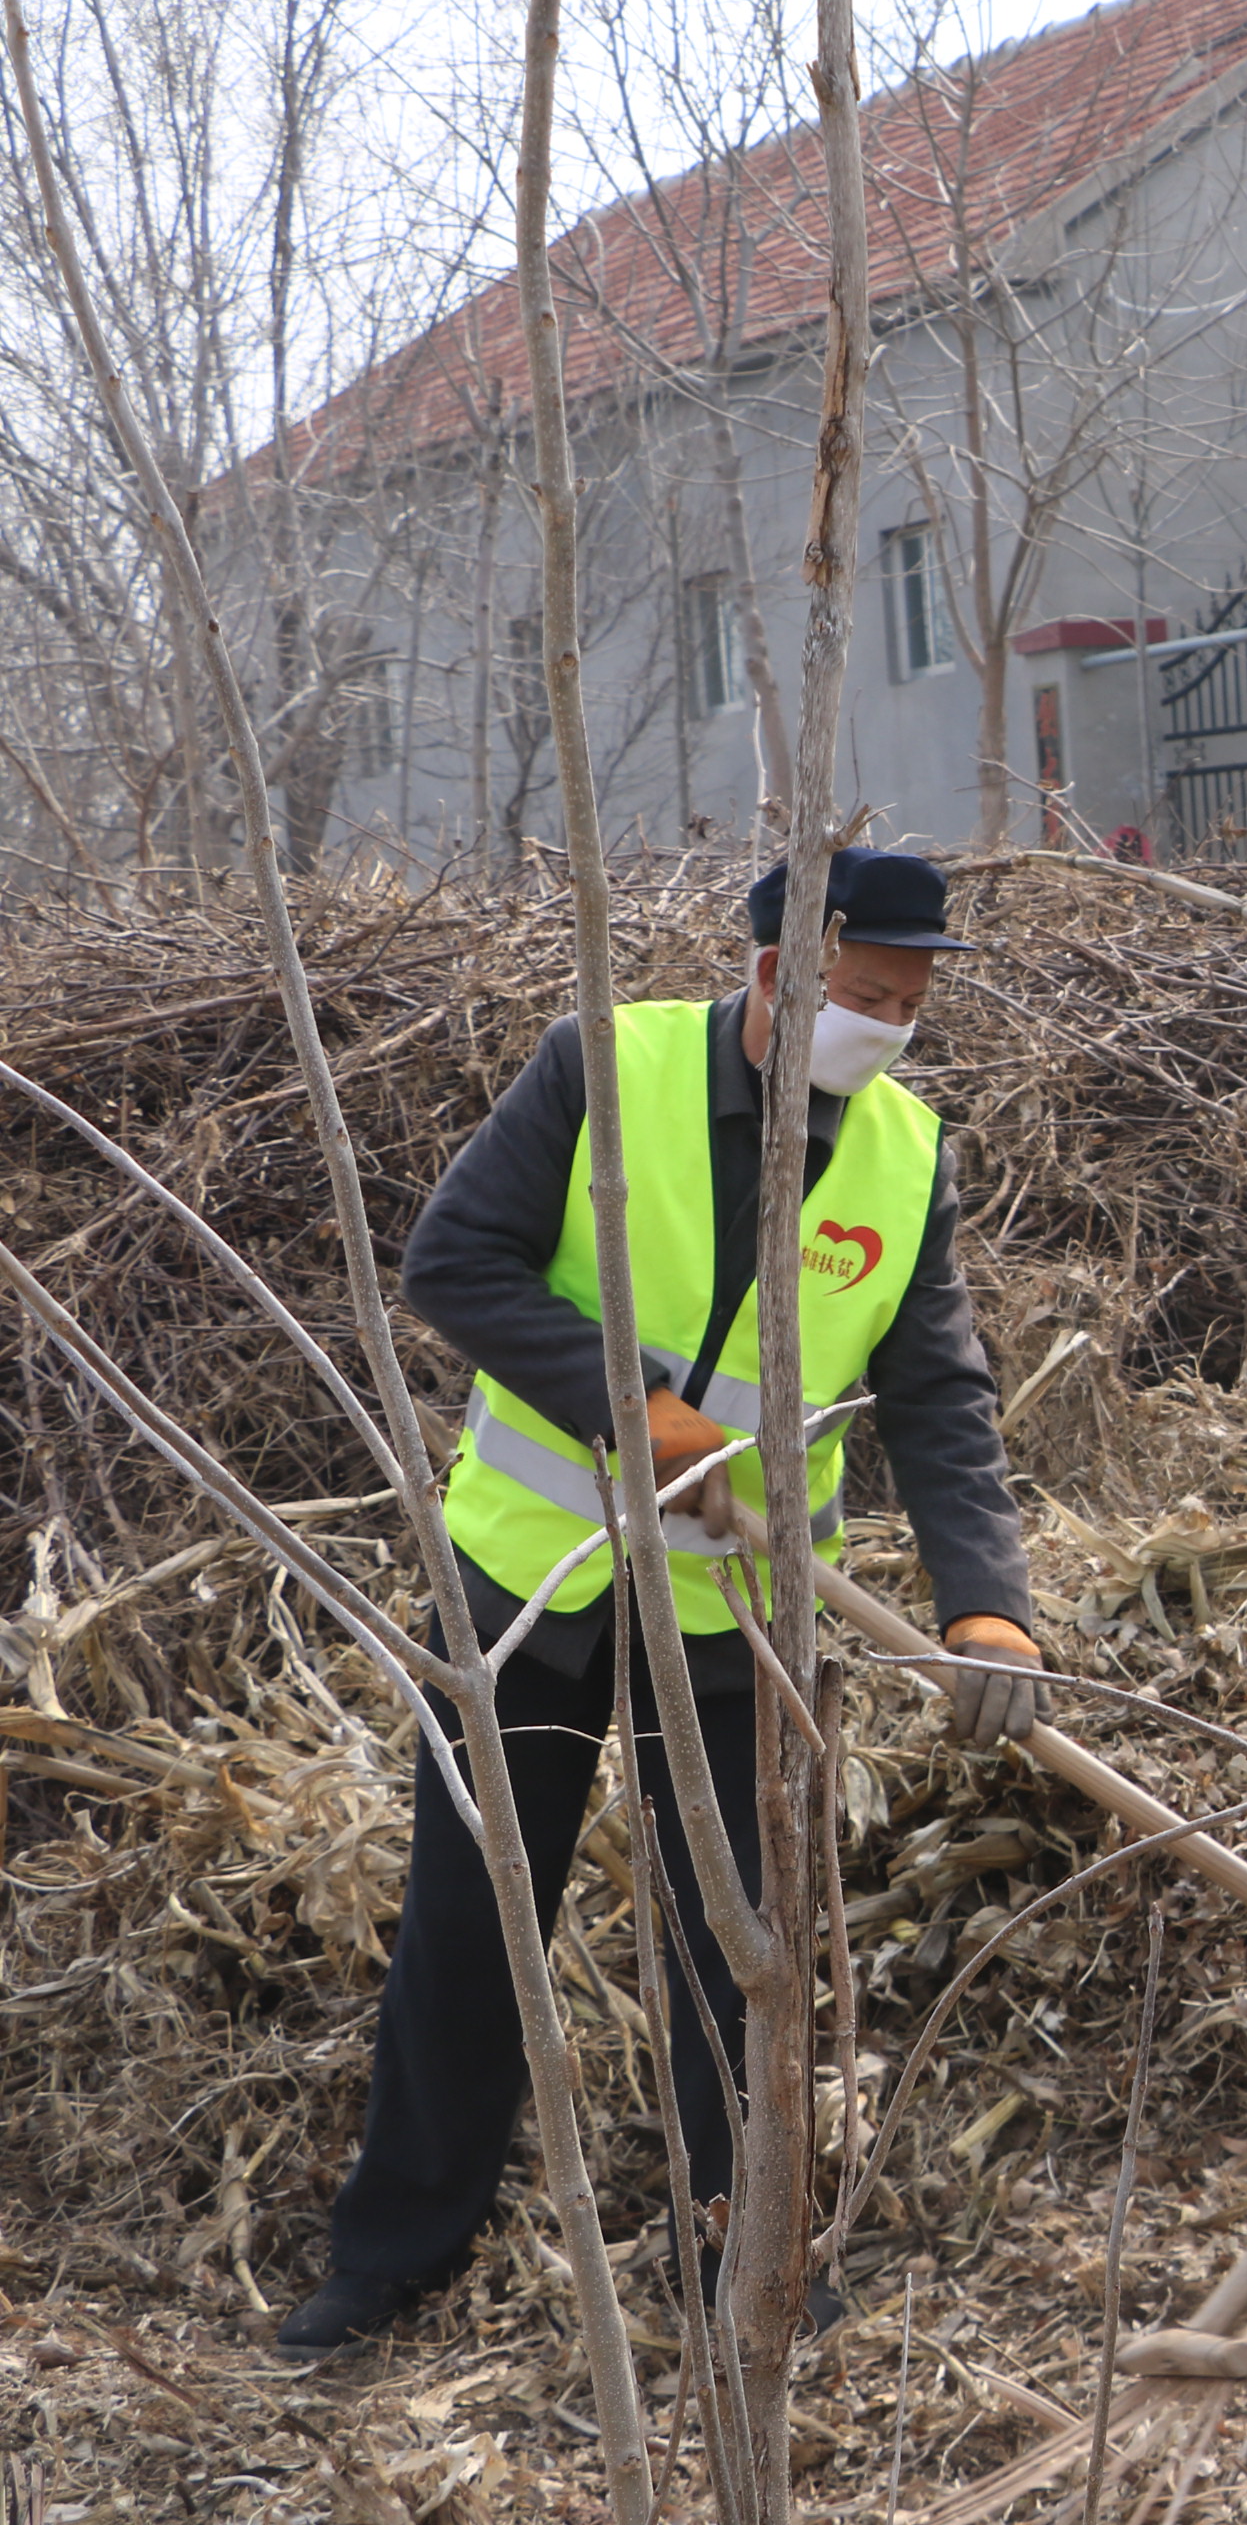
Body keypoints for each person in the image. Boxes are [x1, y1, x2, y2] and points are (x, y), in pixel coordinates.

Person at [276, 848, 1045, 2357]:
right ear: (776, 973)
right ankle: (395, 2253)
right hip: (529, 1583)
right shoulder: (603, 1070)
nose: (887, 1027)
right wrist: (634, 1403)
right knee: (479, 1920)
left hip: (746, 1609)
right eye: (865, 994)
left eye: (910, 1003)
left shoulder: (904, 1153)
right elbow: (457, 1261)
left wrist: (988, 1605)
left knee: (742, 1943)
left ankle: (741, 2256)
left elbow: (939, 1394)